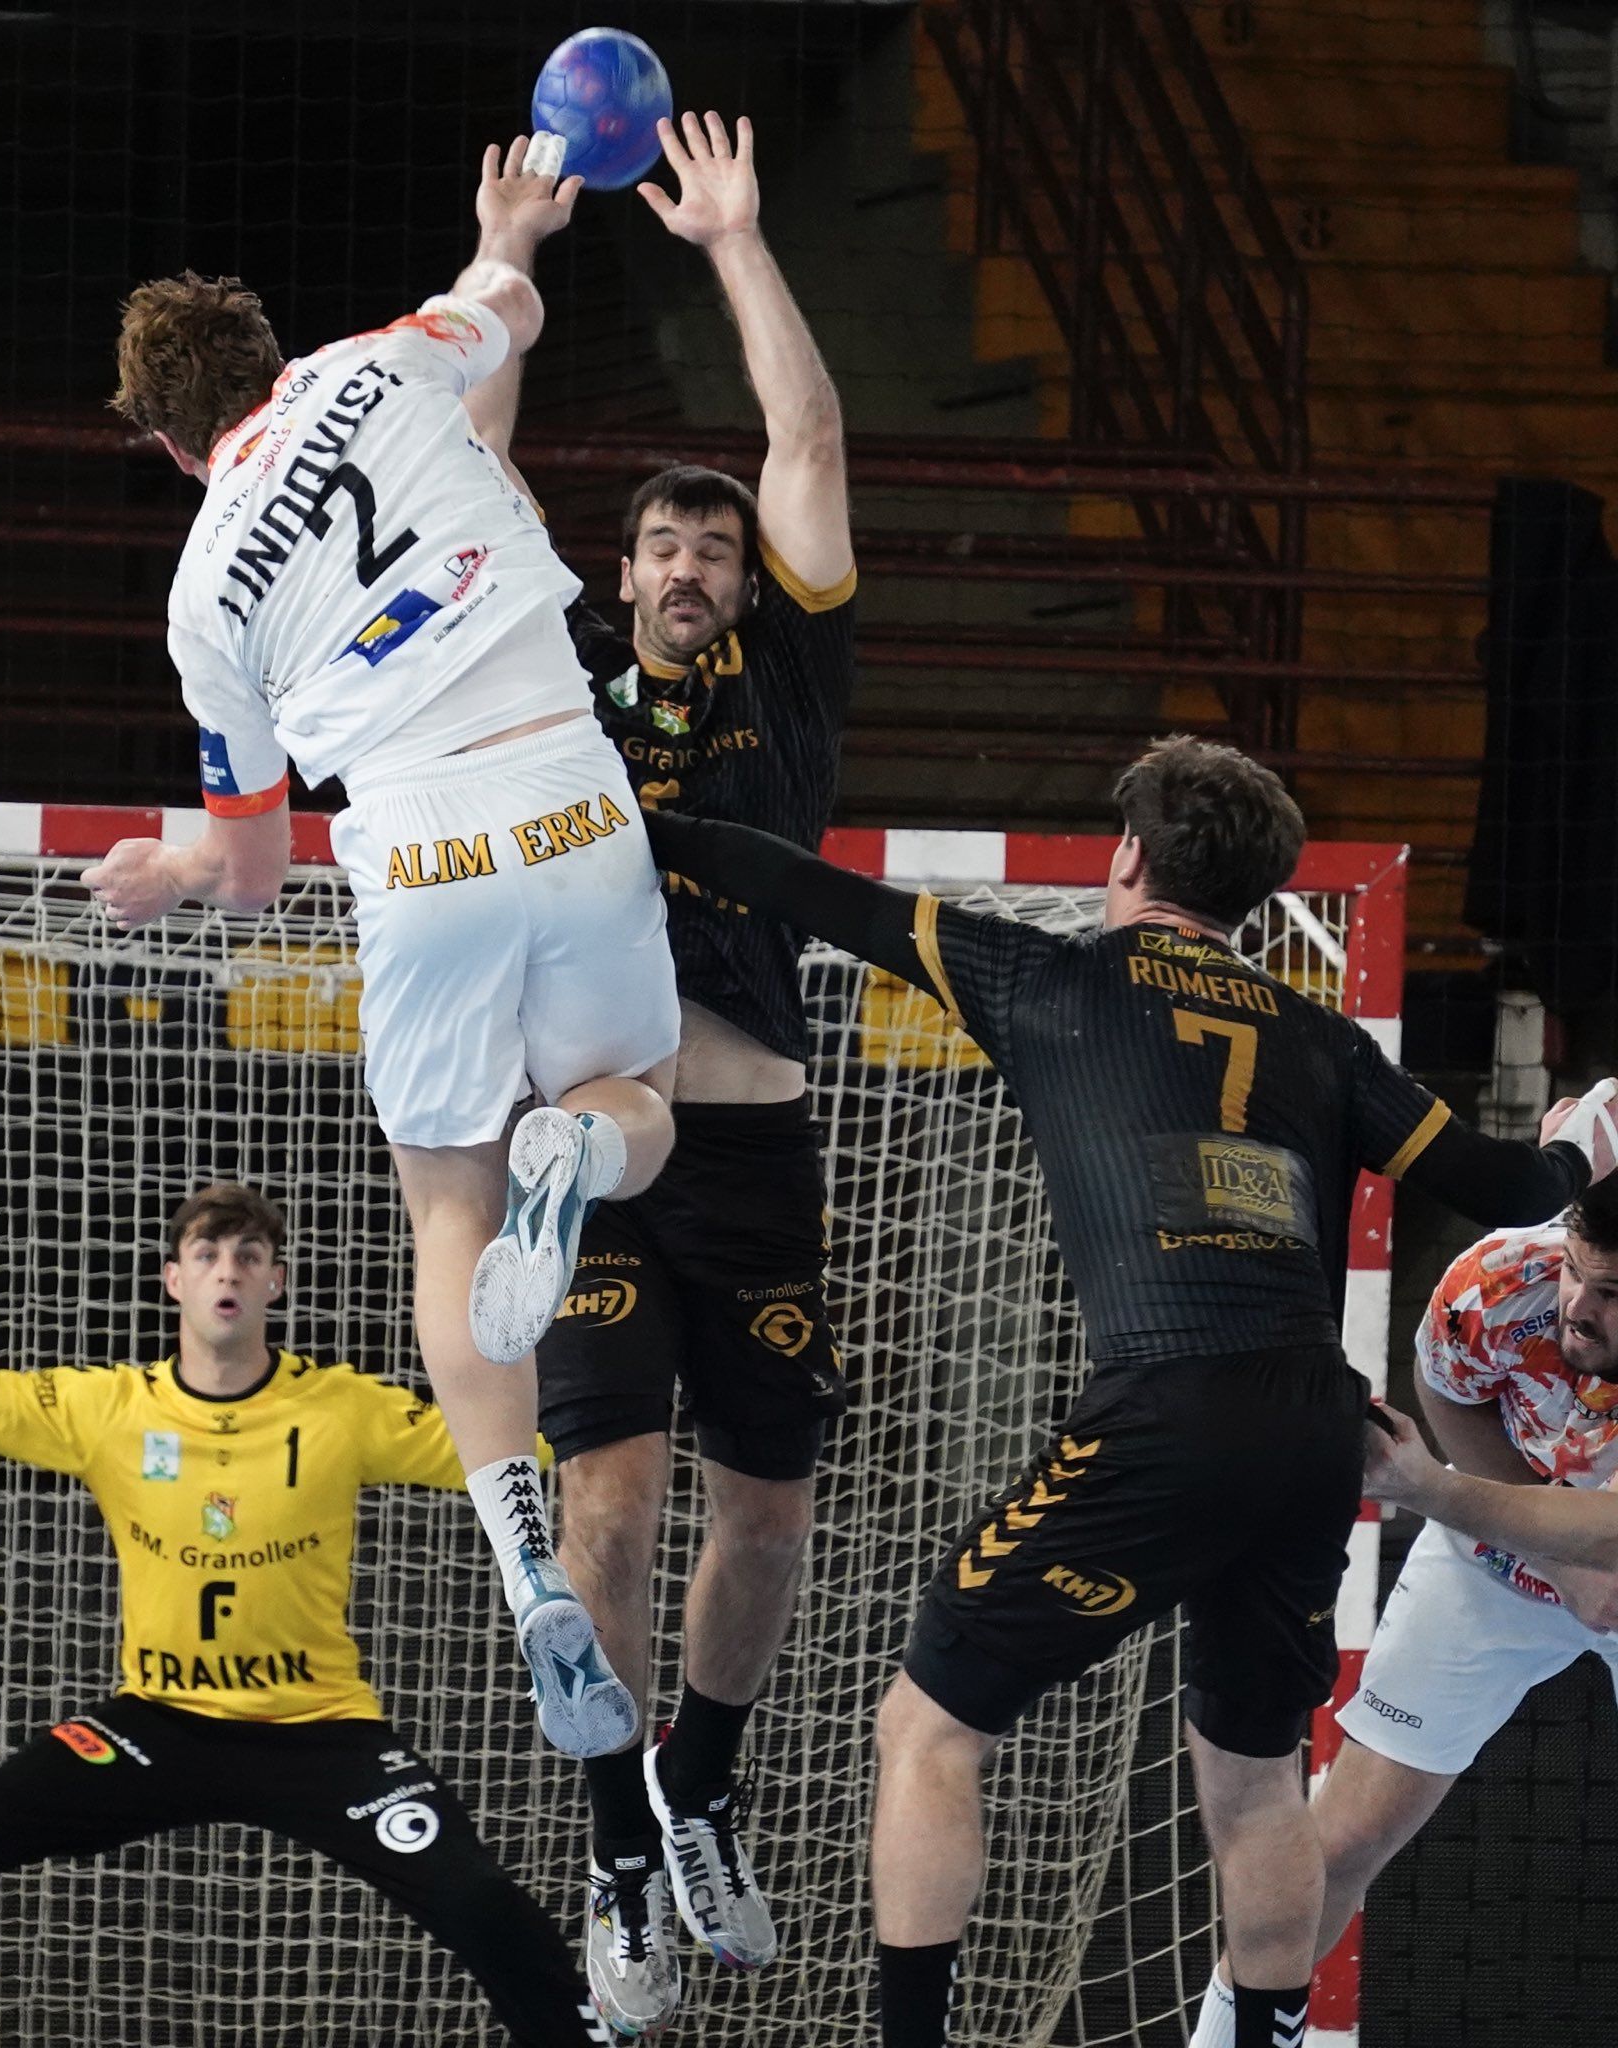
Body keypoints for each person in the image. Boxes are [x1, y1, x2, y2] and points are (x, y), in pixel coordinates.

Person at [638, 736, 1618, 2048]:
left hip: (1166, 1411)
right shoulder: (1323, 1038)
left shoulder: (1042, 972)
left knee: (927, 1726)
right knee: (1262, 1779)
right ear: (1260, 904)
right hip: (1320, 1434)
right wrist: (1578, 1142)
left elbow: (808, 891)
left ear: (1129, 861)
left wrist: (641, 829)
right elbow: (1508, 1193)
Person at [86, 138, 683, 1759]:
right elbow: (499, 308)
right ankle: (579, 1138)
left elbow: (262, 867)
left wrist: (182, 857)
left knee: (443, 1199)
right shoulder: (375, 363)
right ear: (270, 360)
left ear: (162, 440)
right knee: (639, 1100)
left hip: (412, 843)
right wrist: (507, 233)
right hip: (563, 773)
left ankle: (519, 1573)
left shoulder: (205, 595)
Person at [460, 109, 855, 2038]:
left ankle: (698, 1791)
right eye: (664, 538)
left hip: (759, 1145)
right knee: (603, 1507)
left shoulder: (787, 682)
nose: (694, 555)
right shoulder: (551, 689)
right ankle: (619, 1846)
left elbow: (808, 444)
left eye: (714, 540)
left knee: (764, 1516)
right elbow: (466, 468)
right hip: (598, 1144)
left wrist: (733, 244)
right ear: (616, 575)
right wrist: (511, 269)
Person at [0, 1162, 610, 2048]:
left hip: (319, 1731)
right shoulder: (108, 1409)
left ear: (276, 1282)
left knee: (475, 1896)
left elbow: (505, 1450)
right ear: (173, 1279)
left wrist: (610, 1389)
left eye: (250, 1255)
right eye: (207, 1253)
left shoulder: (340, 1408)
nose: (229, 1270)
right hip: (156, 1727)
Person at [1188, 1159, 1618, 2045]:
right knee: (1337, 1845)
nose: (1577, 1305)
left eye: (1612, 1293)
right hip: (1492, 1559)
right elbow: (1450, 1392)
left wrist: (1423, 1490)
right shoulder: (1502, 1281)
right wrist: (1534, 1540)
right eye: (1577, 1268)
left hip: (1562, 1536)